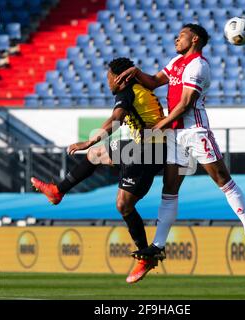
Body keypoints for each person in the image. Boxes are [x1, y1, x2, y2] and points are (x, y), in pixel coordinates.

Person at [116, 24, 245, 278]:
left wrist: (159, 125)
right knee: (169, 189)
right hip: (175, 135)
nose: (175, 38)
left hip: (195, 131)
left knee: (222, 180)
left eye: (180, 35)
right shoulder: (176, 62)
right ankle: (157, 247)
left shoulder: (198, 66)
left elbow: (185, 104)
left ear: (194, 39)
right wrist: (135, 72)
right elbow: (152, 82)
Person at [30, 57, 167, 283]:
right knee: (97, 155)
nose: (108, 82)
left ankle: (146, 257)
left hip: (149, 150)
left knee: (123, 204)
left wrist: (88, 142)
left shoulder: (127, 92)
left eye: (109, 77)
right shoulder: (138, 89)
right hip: (147, 146)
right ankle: (57, 191)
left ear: (120, 78)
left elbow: (115, 120)